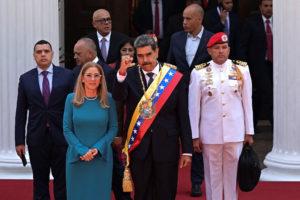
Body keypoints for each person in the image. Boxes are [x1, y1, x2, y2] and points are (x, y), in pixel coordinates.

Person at [113, 34, 193, 200]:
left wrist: (187, 150)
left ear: (156, 52)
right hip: (139, 147)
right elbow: (118, 97)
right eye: (140, 56)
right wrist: (121, 73)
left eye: (148, 54)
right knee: (142, 193)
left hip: (167, 146)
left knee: (166, 193)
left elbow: (183, 116)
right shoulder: (129, 74)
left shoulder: (173, 76)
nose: (145, 60)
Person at [188, 32, 254, 200]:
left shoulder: (242, 69)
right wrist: (194, 136)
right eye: (217, 48)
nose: (221, 51)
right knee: (212, 177)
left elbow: (247, 102)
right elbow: (194, 107)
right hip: (210, 133)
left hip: (235, 132)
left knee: (233, 178)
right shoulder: (199, 72)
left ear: (229, 49)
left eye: (224, 48)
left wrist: (249, 131)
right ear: (209, 50)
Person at [72, 38, 132, 200]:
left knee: (115, 171)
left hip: (106, 134)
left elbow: (117, 104)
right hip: (84, 133)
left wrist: (118, 133)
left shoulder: (108, 71)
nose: (75, 57)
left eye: (78, 53)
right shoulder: (76, 72)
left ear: (91, 53)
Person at [15, 40, 75, 200]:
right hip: (37, 138)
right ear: (34, 56)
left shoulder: (68, 76)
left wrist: (76, 137)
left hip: (62, 137)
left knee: (62, 181)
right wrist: (19, 141)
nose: (43, 54)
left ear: (52, 54)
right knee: (40, 182)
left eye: (46, 51)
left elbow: (74, 108)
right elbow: (20, 111)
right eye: (39, 52)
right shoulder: (26, 79)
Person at [167, 3, 213, 196]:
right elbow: (169, 64)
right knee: (172, 136)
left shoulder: (212, 39)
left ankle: (196, 180)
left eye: (188, 19)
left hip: (202, 97)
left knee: (197, 137)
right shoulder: (176, 38)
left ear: (199, 20)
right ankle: (168, 179)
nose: (183, 22)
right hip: (178, 95)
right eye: (183, 18)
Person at [63, 62, 118, 200]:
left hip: (101, 157)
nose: (92, 79)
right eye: (89, 75)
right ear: (82, 78)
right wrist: (82, 150)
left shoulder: (108, 99)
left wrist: (97, 149)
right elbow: (67, 129)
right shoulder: (71, 99)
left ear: (101, 79)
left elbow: (113, 128)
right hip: (77, 157)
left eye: (96, 76)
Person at [238, 0, 273, 131]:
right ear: (260, 7)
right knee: (263, 95)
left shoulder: (281, 23)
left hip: (276, 66)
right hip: (258, 66)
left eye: (271, 6)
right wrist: (244, 68)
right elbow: (243, 46)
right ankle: (270, 126)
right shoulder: (251, 22)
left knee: (267, 96)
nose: (269, 9)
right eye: (266, 6)